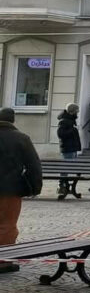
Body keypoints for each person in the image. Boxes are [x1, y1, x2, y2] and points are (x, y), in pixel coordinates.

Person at [0, 107, 44, 274]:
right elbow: (34, 165)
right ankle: (3, 262)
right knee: (7, 225)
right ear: (12, 120)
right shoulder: (21, 138)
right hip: (10, 189)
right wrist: (35, 187)